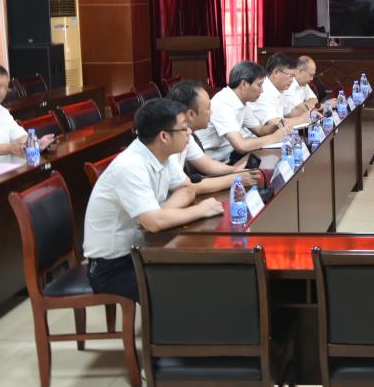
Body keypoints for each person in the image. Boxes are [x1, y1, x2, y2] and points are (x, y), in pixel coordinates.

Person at [82, 99, 225, 301]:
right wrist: (201, 210)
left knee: (204, 269)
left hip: (144, 247)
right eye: (183, 128)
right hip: (112, 265)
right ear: (164, 136)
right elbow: (154, 223)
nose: (189, 132)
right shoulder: (131, 167)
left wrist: (161, 214)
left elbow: (186, 189)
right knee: (184, 290)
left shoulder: (161, 153)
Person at [166, 80, 260, 188]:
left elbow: (207, 164)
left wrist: (236, 170)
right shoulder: (169, 141)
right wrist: (235, 179)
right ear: (191, 114)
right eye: (208, 107)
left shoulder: (186, 134)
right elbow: (186, 186)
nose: (211, 112)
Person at [195, 61, 289, 163]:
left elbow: (261, 130)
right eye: (259, 85)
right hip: (211, 164)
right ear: (244, 84)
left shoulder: (241, 102)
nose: (262, 90)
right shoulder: (223, 104)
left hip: (227, 158)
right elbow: (241, 145)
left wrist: (276, 124)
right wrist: (275, 137)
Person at [249, 53, 299, 125]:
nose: (292, 80)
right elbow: (275, 123)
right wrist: (303, 119)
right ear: (276, 73)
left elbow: (289, 112)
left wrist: (310, 114)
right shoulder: (262, 92)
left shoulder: (280, 89)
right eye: (291, 76)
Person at [282, 55, 318, 123]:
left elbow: (314, 100)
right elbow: (302, 109)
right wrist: (306, 107)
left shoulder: (304, 83)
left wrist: (305, 106)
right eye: (310, 75)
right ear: (300, 71)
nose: (312, 79)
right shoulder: (287, 85)